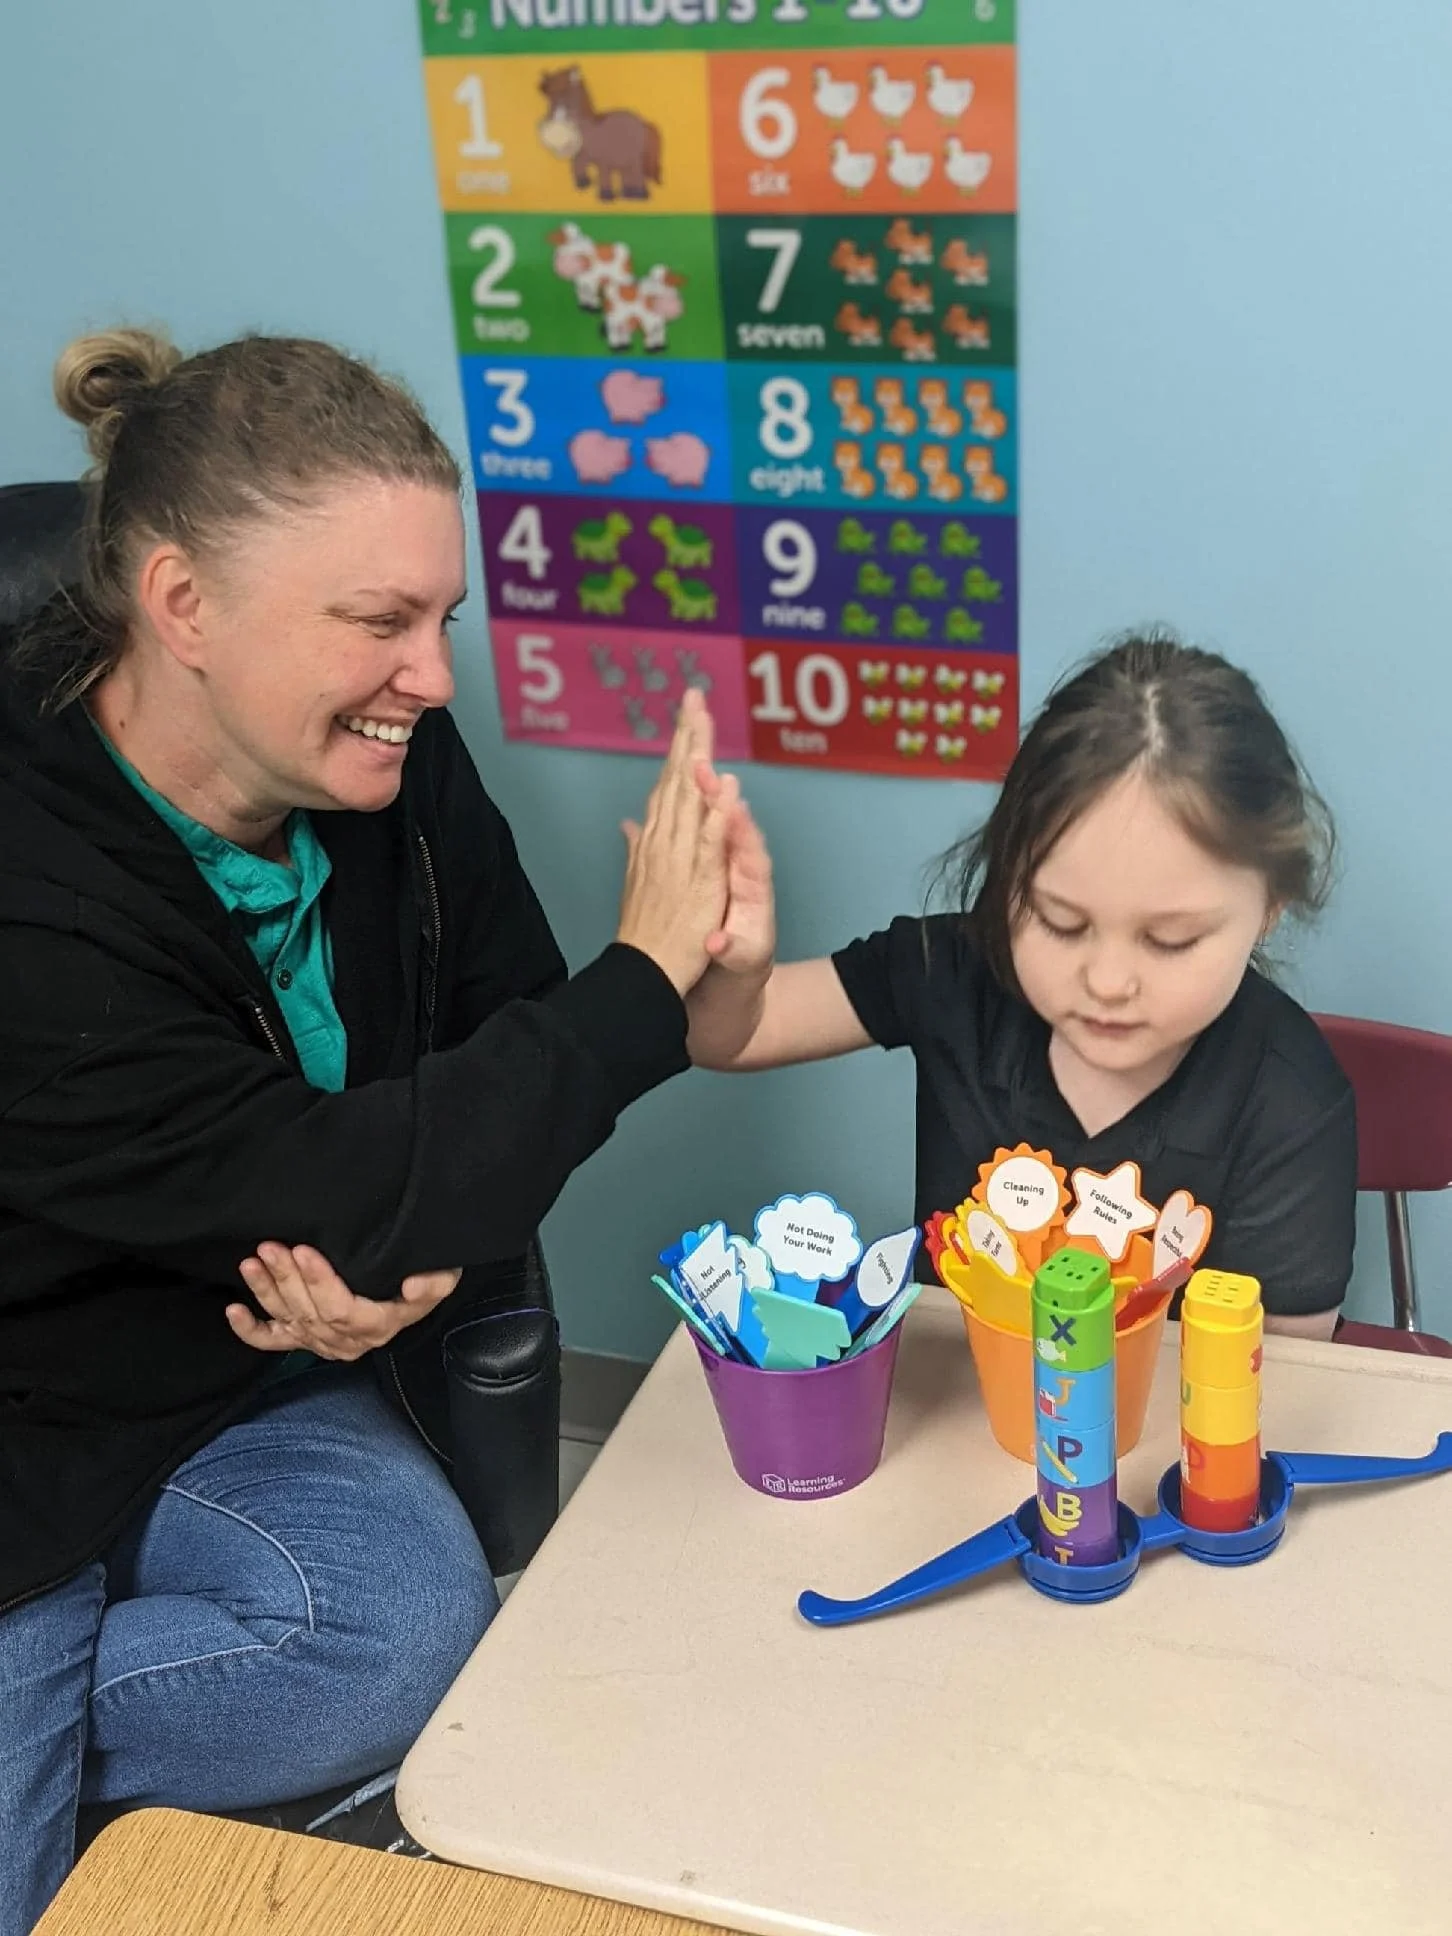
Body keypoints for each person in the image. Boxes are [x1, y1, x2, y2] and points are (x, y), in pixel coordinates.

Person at [0, 328, 737, 1935]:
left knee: (419, 1640)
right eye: (382, 621)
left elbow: (504, 1025)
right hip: (26, 1435)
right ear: (181, 606)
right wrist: (649, 976)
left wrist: (413, 1246)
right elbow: (465, 1104)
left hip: (231, 1364)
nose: (435, 674)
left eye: (442, 618)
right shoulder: (34, 904)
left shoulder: (383, 757)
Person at [688, 633, 1357, 1333]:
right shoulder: (949, 969)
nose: (1106, 981)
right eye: (1060, 922)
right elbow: (726, 1035)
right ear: (1008, 877)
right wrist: (734, 971)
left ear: (1270, 909)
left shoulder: (1291, 1101)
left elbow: (1285, 1375)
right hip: (951, 1416)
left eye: (1170, 940)